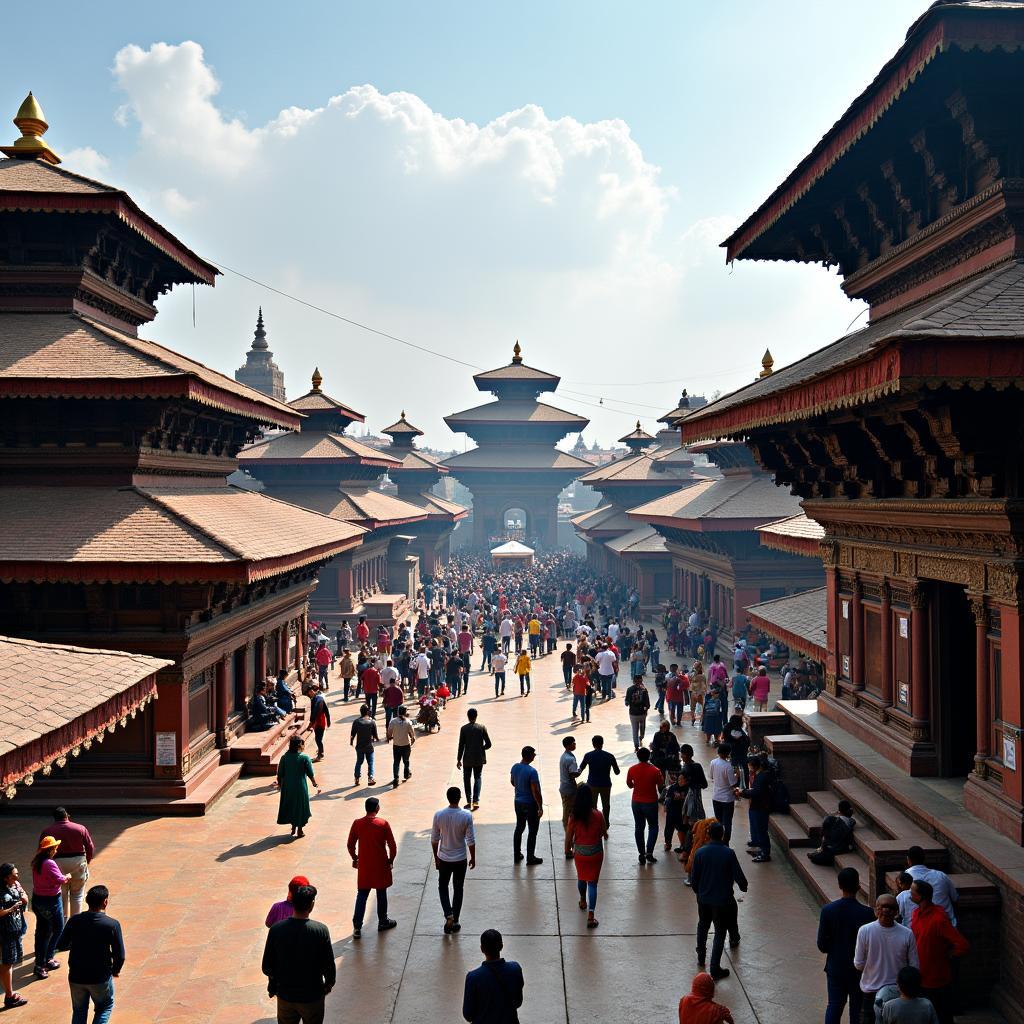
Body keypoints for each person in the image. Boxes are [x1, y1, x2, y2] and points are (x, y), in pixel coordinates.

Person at [262, 884, 335, 1024]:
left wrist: (274, 985)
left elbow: (267, 967)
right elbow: (328, 964)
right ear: (312, 905)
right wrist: (329, 983)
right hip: (312, 996)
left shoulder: (276, 929)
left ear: (293, 903)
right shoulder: (320, 930)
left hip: (285, 996)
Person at [53, 884, 124, 1024]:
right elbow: (120, 955)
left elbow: (61, 944)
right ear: (105, 902)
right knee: (104, 1008)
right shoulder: (112, 924)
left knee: (79, 1011)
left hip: (76, 976)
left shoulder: (74, 921)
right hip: (100, 977)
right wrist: (115, 971)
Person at [690, 822, 748, 980]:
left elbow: (694, 879)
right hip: (722, 901)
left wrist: (700, 893)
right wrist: (744, 886)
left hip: (704, 899)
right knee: (720, 932)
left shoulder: (700, 853)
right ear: (722, 835)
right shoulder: (728, 853)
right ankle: (715, 967)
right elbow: (739, 876)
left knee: (703, 925)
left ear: (708, 834)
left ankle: (701, 955)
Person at [818, 867, 875, 1024]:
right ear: (858, 886)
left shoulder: (828, 911)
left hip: (835, 967)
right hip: (859, 970)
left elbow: (822, 945)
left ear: (839, 885)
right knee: (857, 1009)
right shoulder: (868, 913)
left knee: (834, 1006)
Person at [908, 878, 968, 1024]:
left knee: (942, 1016)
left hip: (937, 980)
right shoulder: (916, 913)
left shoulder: (938, 919)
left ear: (921, 896)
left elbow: (962, 944)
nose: (909, 893)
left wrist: (949, 954)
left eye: (912, 891)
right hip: (920, 975)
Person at [854, 894, 919, 1024]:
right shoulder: (907, 933)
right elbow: (914, 967)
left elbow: (858, 964)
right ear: (897, 912)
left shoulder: (865, 931)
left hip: (871, 990)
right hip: (898, 992)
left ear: (875, 910)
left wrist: (873, 970)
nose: (885, 910)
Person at [346, 798, 398, 938]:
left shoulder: (357, 823)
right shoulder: (383, 824)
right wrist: (390, 860)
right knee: (381, 893)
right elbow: (392, 846)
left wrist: (355, 858)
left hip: (365, 866)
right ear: (377, 808)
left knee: (362, 894)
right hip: (381, 864)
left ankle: (357, 927)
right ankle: (383, 921)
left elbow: (350, 844)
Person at [431, 787, 477, 934]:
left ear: (447, 797)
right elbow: (471, 840)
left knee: (443, 886)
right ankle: (455, 920)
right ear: (460, 797)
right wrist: (473, 857)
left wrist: (436, 857)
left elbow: (434, 839)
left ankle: (448, 914)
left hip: (444, 857)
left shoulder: (439, 815)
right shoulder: (466, 815)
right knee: (458, 888)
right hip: (460, 858)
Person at [39, 808, 94, 920]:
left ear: (54, 818)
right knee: (77, 895)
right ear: (67, 816)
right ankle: (75, 923)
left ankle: (62, 924)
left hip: (56, 864)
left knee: (62, 896)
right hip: (78, 862)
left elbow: (41, 851)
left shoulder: (47, 831)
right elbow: (90, 847)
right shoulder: (80, 828)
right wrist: (86, 861)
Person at [564, 784, 607, 929]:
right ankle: (591, 916)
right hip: (595, 853)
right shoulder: (598, 814)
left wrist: (567, 849)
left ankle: (583, 900)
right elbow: (603, 832)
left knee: (581, 877)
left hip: (580, 853)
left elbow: (569, 836)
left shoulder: (574, 817)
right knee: (593, 883)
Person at [462, 929, 524, 1024]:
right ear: (501, 946)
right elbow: (518, 1002)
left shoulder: (473, 977)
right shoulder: (515, 969)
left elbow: (468, 1015)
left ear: (482, 949)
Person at [30, 836, 69, 979]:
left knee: (42, 931)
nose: (56, 850)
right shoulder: (49, 863)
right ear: (50, 850)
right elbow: (60, 879)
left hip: (38, 900)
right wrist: (67, 877)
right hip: (51, 901)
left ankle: (43, 960)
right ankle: (45, 960)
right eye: (55, 848)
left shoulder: (36, 862)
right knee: (57, 928)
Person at [276, 735, 321, 838]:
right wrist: (314, 783)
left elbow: (280, 774)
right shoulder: (304, 758)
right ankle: (299, 830)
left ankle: (293, 826)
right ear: (299, 745)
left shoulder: (284, 757)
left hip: (288, 787)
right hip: (300, 787)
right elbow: (310, 773)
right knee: (300, 807)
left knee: (291, 805)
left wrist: (280, 785)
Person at [627, 748, 664, 865]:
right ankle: (649, 852)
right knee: (653, 826)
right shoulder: (655, 770)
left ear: (638, 756)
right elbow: (661, 785)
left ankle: (641, 853)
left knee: (639, 827)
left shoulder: (632, 769)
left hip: (636, 802)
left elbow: (629, 784)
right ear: (649, 756)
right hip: (650, 802)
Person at [905, 847, 958, 926]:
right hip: (946, 923)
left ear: (908, 860)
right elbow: (955, 898)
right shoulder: (941, 875)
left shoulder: (906, 880)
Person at [0, 863, 28, 1009]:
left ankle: (9, 993)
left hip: (15, 928)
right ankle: (9, 996)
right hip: (5, 932)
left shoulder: (15, 884)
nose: (18, 876)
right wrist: (10, 908)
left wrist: (23, 898)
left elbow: (25, 897)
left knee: (10, 960)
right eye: (14, 874)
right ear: (6, 878)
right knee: (7, 962)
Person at [510, 746, 544, 865]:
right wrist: (540, 806)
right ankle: (530, 857)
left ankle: (517, 854)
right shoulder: (532, 771)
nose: (534, 756)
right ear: (529, 756)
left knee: (519, 827)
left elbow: (513, 782)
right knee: (532, 830)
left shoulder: (515, 767)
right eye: (533, 754)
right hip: (530, 804)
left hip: (518, 802)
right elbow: (535, 791)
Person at [735, 754, 772, 863]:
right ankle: (762, 851)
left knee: (762, 831)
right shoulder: (762, 775)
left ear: (753, 765)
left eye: (749, 766)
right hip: (759, 806)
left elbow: (755, 792)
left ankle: (765, 854)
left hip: (760, 807)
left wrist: (742, 792)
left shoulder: (761, 777)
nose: (749, 768)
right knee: (760, 830)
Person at [578, 735, 621, 826]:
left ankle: (594, 822)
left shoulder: (588, 755)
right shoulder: (610, 756)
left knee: (593, 805)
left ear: (593, 744)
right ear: (602, 744)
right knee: (606, 805)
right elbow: (617, 772)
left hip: (592, 784)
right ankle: (606, 822)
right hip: (606, 784)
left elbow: (580, 769)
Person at [457, 708, 493, 810]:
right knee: (478, 777)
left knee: (466, 779)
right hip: (479, 758)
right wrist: (481, 748)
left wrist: (458, 759)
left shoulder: (464, 729)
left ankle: (469, 800)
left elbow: (461, 745)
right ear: (476, 716)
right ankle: (476, 801)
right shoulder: (481, 728)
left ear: (468, 716)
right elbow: (489, 744)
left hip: (467, 758)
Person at [809, 800, 857, 866]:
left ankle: (821, 850)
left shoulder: (839, 820)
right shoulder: (849, 821)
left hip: (832, 844)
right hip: (833, 844)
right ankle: (821, 850)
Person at [708, 744, 739, 844]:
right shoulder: (728, 766)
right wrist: (737, 775)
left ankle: (718, 840)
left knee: (719, 821)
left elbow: (711, 776)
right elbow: (732, 783)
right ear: (727, 754)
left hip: (716, 796)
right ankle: (726, 842)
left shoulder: (713, 762)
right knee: (728, 823)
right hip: (727, 798)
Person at [387, 705, 416, 789]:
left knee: (396, 762)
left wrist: (390, 737)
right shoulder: (408, 722)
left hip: (396, 746)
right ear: (405, 712)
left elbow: (389, 733)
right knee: (406, 761)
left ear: (398, 712)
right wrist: (412, 740)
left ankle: (396, 778)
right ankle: (406, 774)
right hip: (406, 745)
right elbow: (412, 735)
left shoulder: (393, 721)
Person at [350, 704, 379, 786]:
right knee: (370, 762)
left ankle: (356, 778)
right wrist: (378, 740)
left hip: (359, 746)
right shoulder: (372, 721)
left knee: (359, 761)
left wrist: (351, 742)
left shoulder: (356, 722)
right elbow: (375, 735)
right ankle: (370, 777)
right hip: (369, 746)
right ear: (367, 711)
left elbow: (352, 734)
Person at [558, 736, 581, 838]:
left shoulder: (564, 756)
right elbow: (573, 775)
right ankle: (569, 835)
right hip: (569, 789)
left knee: (567, 809)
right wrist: (580, 770)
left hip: (564, 787)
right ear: (569, 745)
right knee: (568, 813)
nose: (575, 744)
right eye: (573, 743)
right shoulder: (571, 759)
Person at [625, 675, 651, 750]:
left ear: (633, 681)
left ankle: (636, 746)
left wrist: (629, 703)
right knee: (642, 729)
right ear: (641, 681)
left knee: (634, 730)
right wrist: (646, 709)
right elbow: (648, 703)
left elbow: (626, 702)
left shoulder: (629, 689)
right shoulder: (644, 690)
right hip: (642, 714)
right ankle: (640, 739)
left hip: (633, 714)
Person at [305, 685, 330, 761]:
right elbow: (326, 710)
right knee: (318, 738)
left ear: (314, 691)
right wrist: (328, 720)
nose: (311, 693)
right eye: (309, 692)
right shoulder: (318, 699)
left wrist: (311, 723)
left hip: (319, 721)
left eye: (311, 691)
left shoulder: (318, 700)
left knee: (318, 739)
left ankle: (320, 754)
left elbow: (315, 712)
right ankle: (320, 750)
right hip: (320, 721)